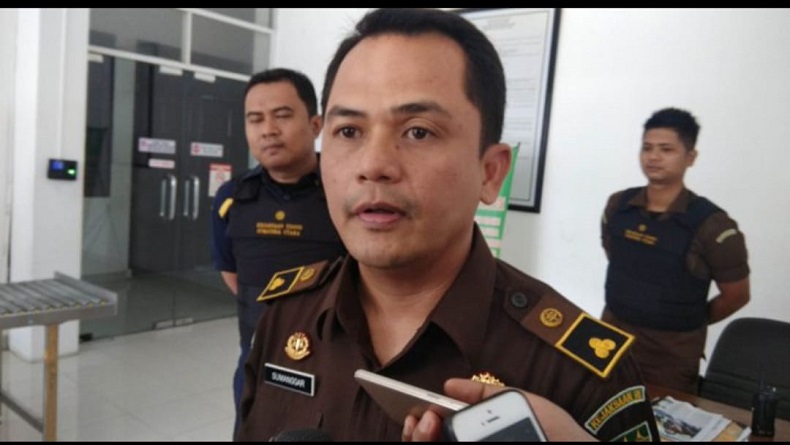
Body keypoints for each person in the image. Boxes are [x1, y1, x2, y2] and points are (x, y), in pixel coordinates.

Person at [236, 8, 659, 442]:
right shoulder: (286, 316)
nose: (373, 164)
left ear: (490, 172)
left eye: (418, 131)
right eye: (348, 131)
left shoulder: (578, 374)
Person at [209, 68, 346, 436]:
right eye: (255, 119)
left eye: (282, 116)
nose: (268, 130)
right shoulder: (232, 198)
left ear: (315, 124)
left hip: (334, 361)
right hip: (258, 357)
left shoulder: (346, 191)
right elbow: (231, 271)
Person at [600, 107, 750, 395]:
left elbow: (737, 295)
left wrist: (687, 317)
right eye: (647, 148)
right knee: (596, 412)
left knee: (662, 422)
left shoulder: (712, 225)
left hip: (668, 357)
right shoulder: (618, 206)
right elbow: (616, 257)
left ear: (690, 157)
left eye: (666, 149)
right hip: (610, 341)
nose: (653, 157)